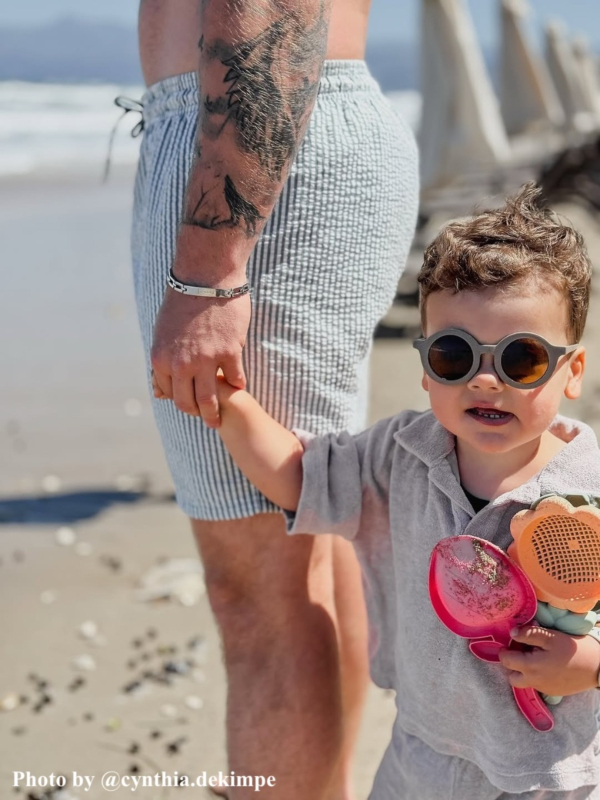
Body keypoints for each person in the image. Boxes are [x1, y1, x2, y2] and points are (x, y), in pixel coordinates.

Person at [177, 184, 600, 799]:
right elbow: (300, 475)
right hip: (420, 759)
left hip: (545, 775)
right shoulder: (401, 455)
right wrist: (227, 401)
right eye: (456, 356)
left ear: (572, 374)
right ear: (427, 367)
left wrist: (590, 666)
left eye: (522, 359)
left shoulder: (590, 487)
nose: (486, 379)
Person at [133, 0, 419, 797]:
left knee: (258, 589)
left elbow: (266, 13)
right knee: (312, 544)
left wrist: (208, 267)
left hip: (258, 141)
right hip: (282, 130)